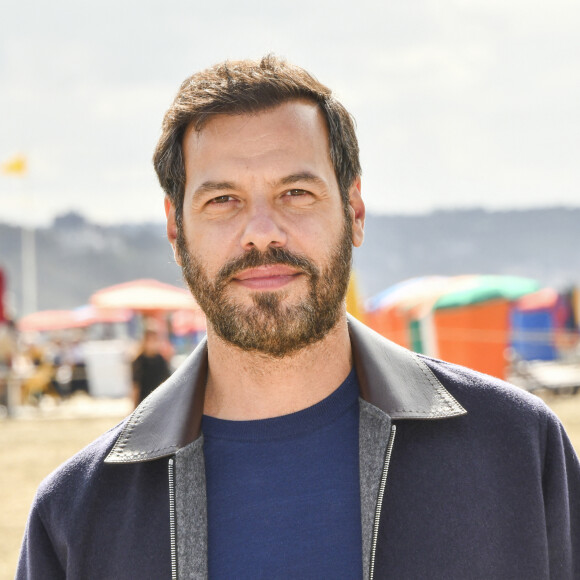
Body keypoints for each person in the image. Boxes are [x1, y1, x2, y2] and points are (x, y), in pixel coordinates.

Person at [17, 56, 580, 579]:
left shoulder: (520, 450)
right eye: (223, 200)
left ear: (353, 211)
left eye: (296, 192)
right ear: (175, 229)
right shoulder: (77, 513)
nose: (262, 230)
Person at [131, 327, 171, 408]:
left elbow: (167, 382)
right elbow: (136, 385)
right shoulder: (139, 361)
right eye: (150, 340)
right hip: (142, 403)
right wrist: (134, 406)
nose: (152, 343)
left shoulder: (160, 360)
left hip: (157, 401)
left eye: (154, 340)